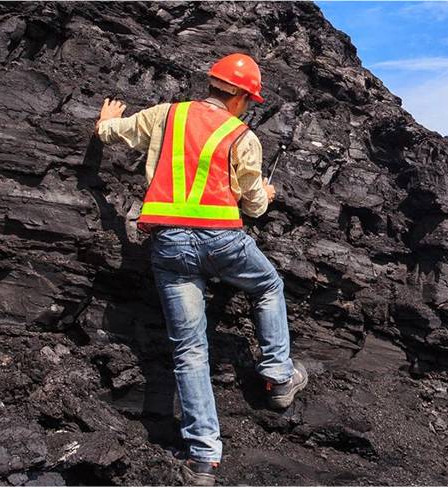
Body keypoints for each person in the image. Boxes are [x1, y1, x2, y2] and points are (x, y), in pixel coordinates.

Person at [94, 53, 307, 486]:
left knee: (190, 350)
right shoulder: (242, 136)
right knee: (267, 286)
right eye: (249, 99)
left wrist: (103, 123)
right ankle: (280, 379)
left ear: (212, 84)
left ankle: (204, 460)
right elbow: (253, 206)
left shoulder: (166, 115)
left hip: (170, 245)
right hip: (223, 242)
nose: (248, 106)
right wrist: (266, 191)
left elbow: (118, 134)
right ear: (242, 97)